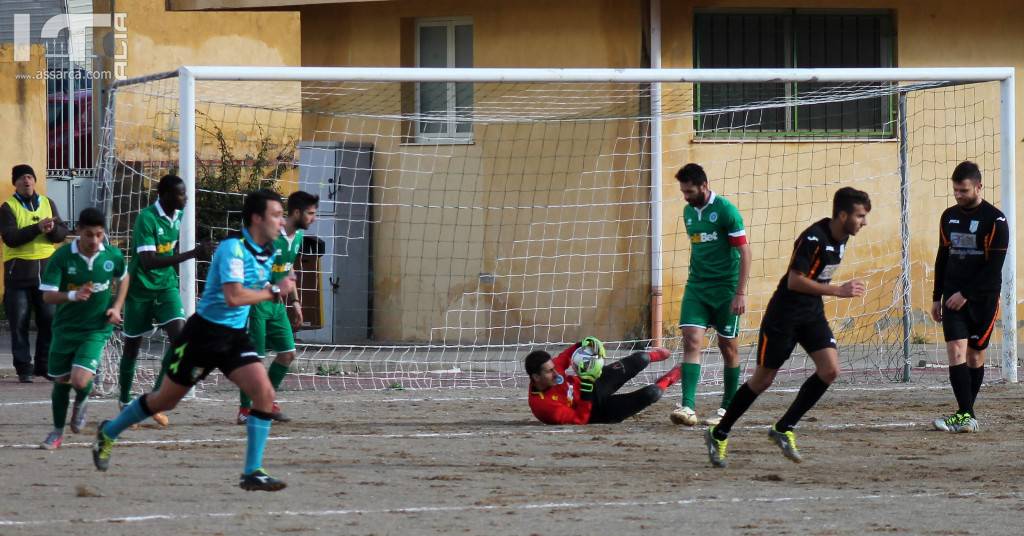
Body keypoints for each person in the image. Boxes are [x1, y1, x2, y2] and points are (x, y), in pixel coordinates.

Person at [92, 189, 296, 492]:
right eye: (276, 215)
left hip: (234, 338)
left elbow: (260, 280)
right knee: (166, 400)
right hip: (203, 335)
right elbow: (234, 296)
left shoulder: (268, 249)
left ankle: (252, 471)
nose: (281, 221)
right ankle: (109, 431)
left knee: (264, 394)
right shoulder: (233, 248)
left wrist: (279, 285)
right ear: (257, 218)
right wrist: (274, 291)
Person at [703, 187, 871, 468]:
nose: (864, 222)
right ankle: (719, 433)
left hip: (811, 314)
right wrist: (837, 291)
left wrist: (827, 292)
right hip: (784, 316)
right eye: (860, 216)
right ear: (843, 215)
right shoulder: (812, 238)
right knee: (762, 380)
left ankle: (784, 428)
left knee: (830, 370)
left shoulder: (841, 238)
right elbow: (795, 281)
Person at [118, 174, 210, 427]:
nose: (187, 197)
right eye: (182, 194)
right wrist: (191, 254)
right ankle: (125, 402)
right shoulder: (146, 218)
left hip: (165, 286)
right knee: (132, 347)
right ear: (166, 195)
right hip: (139, 288)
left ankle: (154, 399)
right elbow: (148, 262)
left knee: (180, 339)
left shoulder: (179, 215)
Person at [38, 208, 128, 449]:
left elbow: (124, 276)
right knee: (61, 380)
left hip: (96, 329)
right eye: (89, 235)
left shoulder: (112, 256)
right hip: (65, 328)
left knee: (79, 380)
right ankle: (57, 432)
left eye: (99, 235)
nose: (94, 241)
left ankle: (82, 396)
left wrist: (116, 307)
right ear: (78, 231)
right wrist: (72, 295)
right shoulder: (62, 257)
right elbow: (47, 296)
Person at [669, 163, 750, 427]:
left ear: (704, 186)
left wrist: (740, 293)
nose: (686, 196)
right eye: (683, 191)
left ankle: (727, 408)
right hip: (697, 287)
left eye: (689, 191)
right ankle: (688, 407)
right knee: (691, 341)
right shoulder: (688, 212)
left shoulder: (726, 211)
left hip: (726, 290)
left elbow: (745, 253)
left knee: (728, 347)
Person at [930, 161, 1007, 434]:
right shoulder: (948, 217)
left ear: (978, 187)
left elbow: (994, 268)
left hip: (983, 299)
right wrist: (937, 296)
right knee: (956, 351)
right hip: (952, 298)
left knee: (975, 357)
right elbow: (942, 257)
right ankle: (966, 414)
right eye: (955, 191)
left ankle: (966, 413)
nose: (958, 196)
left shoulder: (996, 220)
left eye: (963, 190)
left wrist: (967, 294)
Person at [237, 190, 318, 424]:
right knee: (255, 359)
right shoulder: (270, 235)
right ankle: (245, 409)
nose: (314, 218)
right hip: (259, 303)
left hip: (278, 304)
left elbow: (289, 271)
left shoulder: (298, 237)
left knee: (288, 353)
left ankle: (265, 400)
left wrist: (296, 302)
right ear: (296, 212)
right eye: (311, 213)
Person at [0, 164, 69, 382]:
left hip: (47, 272)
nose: (26, 181)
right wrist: (37, 228)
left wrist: (52, 230)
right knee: (18, 320)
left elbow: (61, 234)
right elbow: (10, 237)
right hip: (17, 273)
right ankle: (24, 368)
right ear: (15, 183)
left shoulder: (48, 203)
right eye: (21, 178)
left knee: (49, 318)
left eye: (29, 177)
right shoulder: (7, 208)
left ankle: (44, 365)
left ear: (35, 180)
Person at [525, 337, 679, 425]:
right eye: (549, 371)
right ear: (536, 377)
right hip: (596, 413)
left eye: (553, 368)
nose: (555, 373)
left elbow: (569, 353)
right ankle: (668, 380)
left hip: (594, 385)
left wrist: (586, 342)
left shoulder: (554, 368)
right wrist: (585, 391)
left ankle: (654, 355)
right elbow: (580, 419)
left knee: (641, 358)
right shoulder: (543, 406)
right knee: (653, 393)